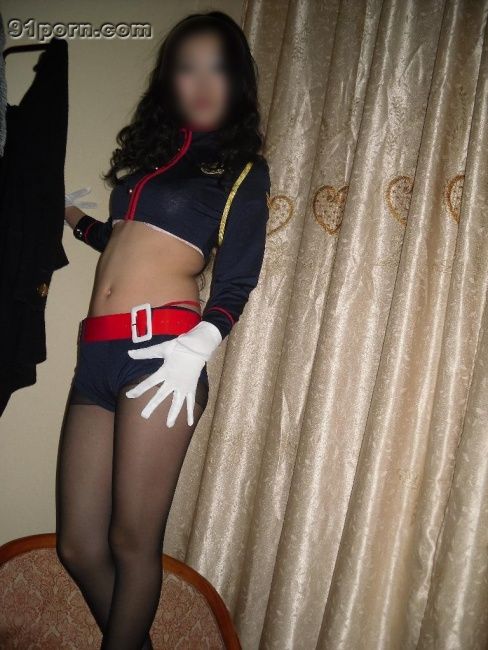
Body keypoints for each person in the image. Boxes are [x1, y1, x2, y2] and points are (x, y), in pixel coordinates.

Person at [55, 10, 270, 650]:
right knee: (77, 546)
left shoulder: (239, 168)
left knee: (131, 542)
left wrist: (198, 347)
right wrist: (73, 218)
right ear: (169, 80)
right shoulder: (148, 163)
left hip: (162, 357)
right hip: (95, 355)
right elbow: (124, 243)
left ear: (236, 81)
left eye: (217, 69)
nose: (201, 82)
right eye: (187, 67)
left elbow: (236, 279)